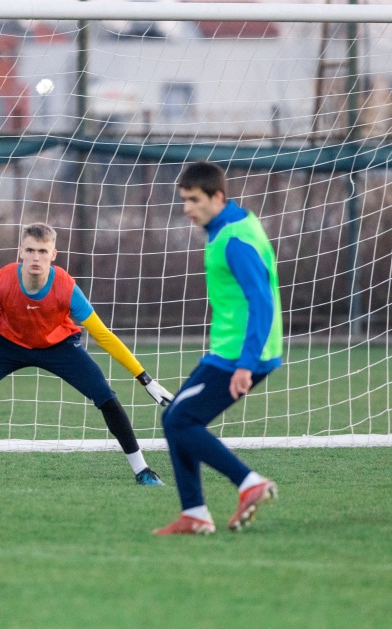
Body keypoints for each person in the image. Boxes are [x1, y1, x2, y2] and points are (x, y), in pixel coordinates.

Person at [0, 222, 174, 486]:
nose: (36, 257)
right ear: (20, 251)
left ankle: (143, 470)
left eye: (43, 251)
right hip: (6, 344)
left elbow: (103, 335)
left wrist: (144, 378)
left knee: (106, 398)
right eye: (30, 250)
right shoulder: (2, 280)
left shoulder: (66, 287)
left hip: (60, 345)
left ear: (53, 255)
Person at [153, 161, 282, 535]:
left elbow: (262, 302)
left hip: (242, 352)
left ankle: (249, 483)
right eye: (184, 200)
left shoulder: (234, 240)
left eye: (194, 200)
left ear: (217, 197)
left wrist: (245, 364)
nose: (187, 208)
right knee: (178, 418)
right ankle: (195, 513)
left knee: (179, 419)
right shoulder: (231, 223)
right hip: (233, 349)